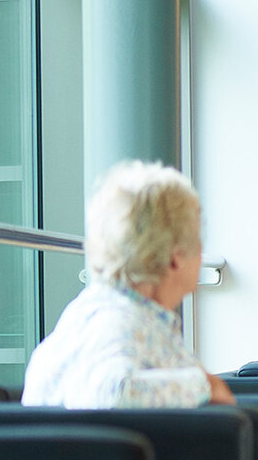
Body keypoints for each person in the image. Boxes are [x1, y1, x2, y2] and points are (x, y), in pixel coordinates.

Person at [23, 161, 235, 409]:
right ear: (176, 255)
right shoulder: (119, 322)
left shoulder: (89, 315)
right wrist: (206, 387)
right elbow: (110, 393)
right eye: (198, 237)